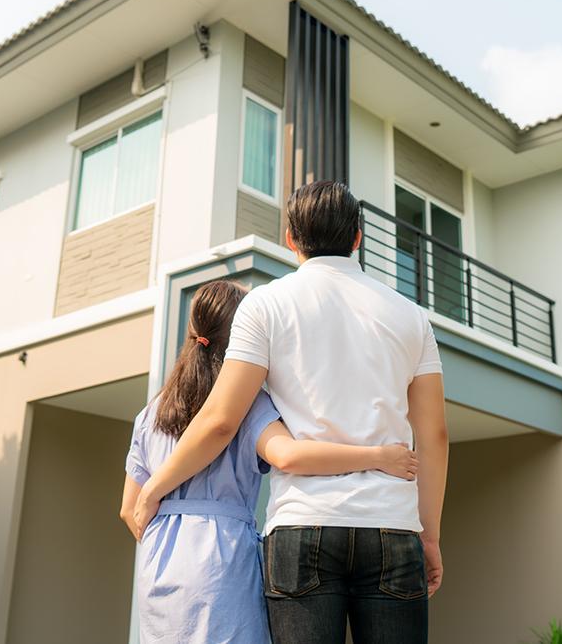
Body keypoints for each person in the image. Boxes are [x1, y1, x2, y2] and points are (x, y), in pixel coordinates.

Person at [133, 181, 449, 644]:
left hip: (303, 526)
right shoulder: (411, 316)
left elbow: (221, 419)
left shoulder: (266, 304)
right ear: (358, 237)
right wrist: (429, 536)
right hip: (391, 524)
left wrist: (155, 488)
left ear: (290, 238)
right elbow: (435, 435)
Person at [120, 279, 420, 644]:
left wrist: (168, 532)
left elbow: (128, 509)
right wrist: (378, 456)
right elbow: (289, 455)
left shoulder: (151, 412)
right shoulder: (246, 403)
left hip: (160, 558)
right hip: (221, 558)